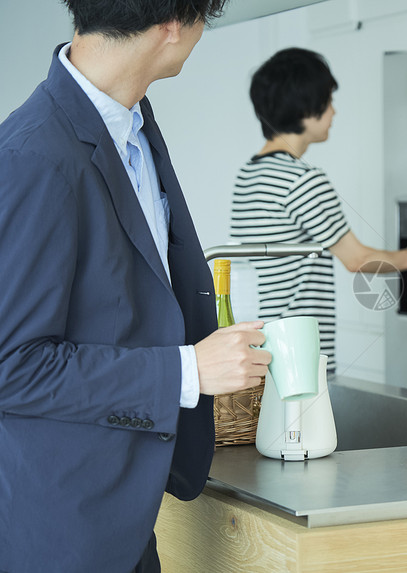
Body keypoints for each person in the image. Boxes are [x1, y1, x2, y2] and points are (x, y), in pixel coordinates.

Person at [0, 2, 271, 571]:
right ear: (174, 25)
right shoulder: (33, 155)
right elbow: (12, 367)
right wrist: (188, 371)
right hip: (64, 533)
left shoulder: (128, 119)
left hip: (124, 517)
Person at [230, 47, 407, 374]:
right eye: (328, 101)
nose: (334, 112)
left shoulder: (249, 175)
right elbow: (356, 259)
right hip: (298, 355)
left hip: (261, 350)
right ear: (306, 107)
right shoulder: (303, 179)